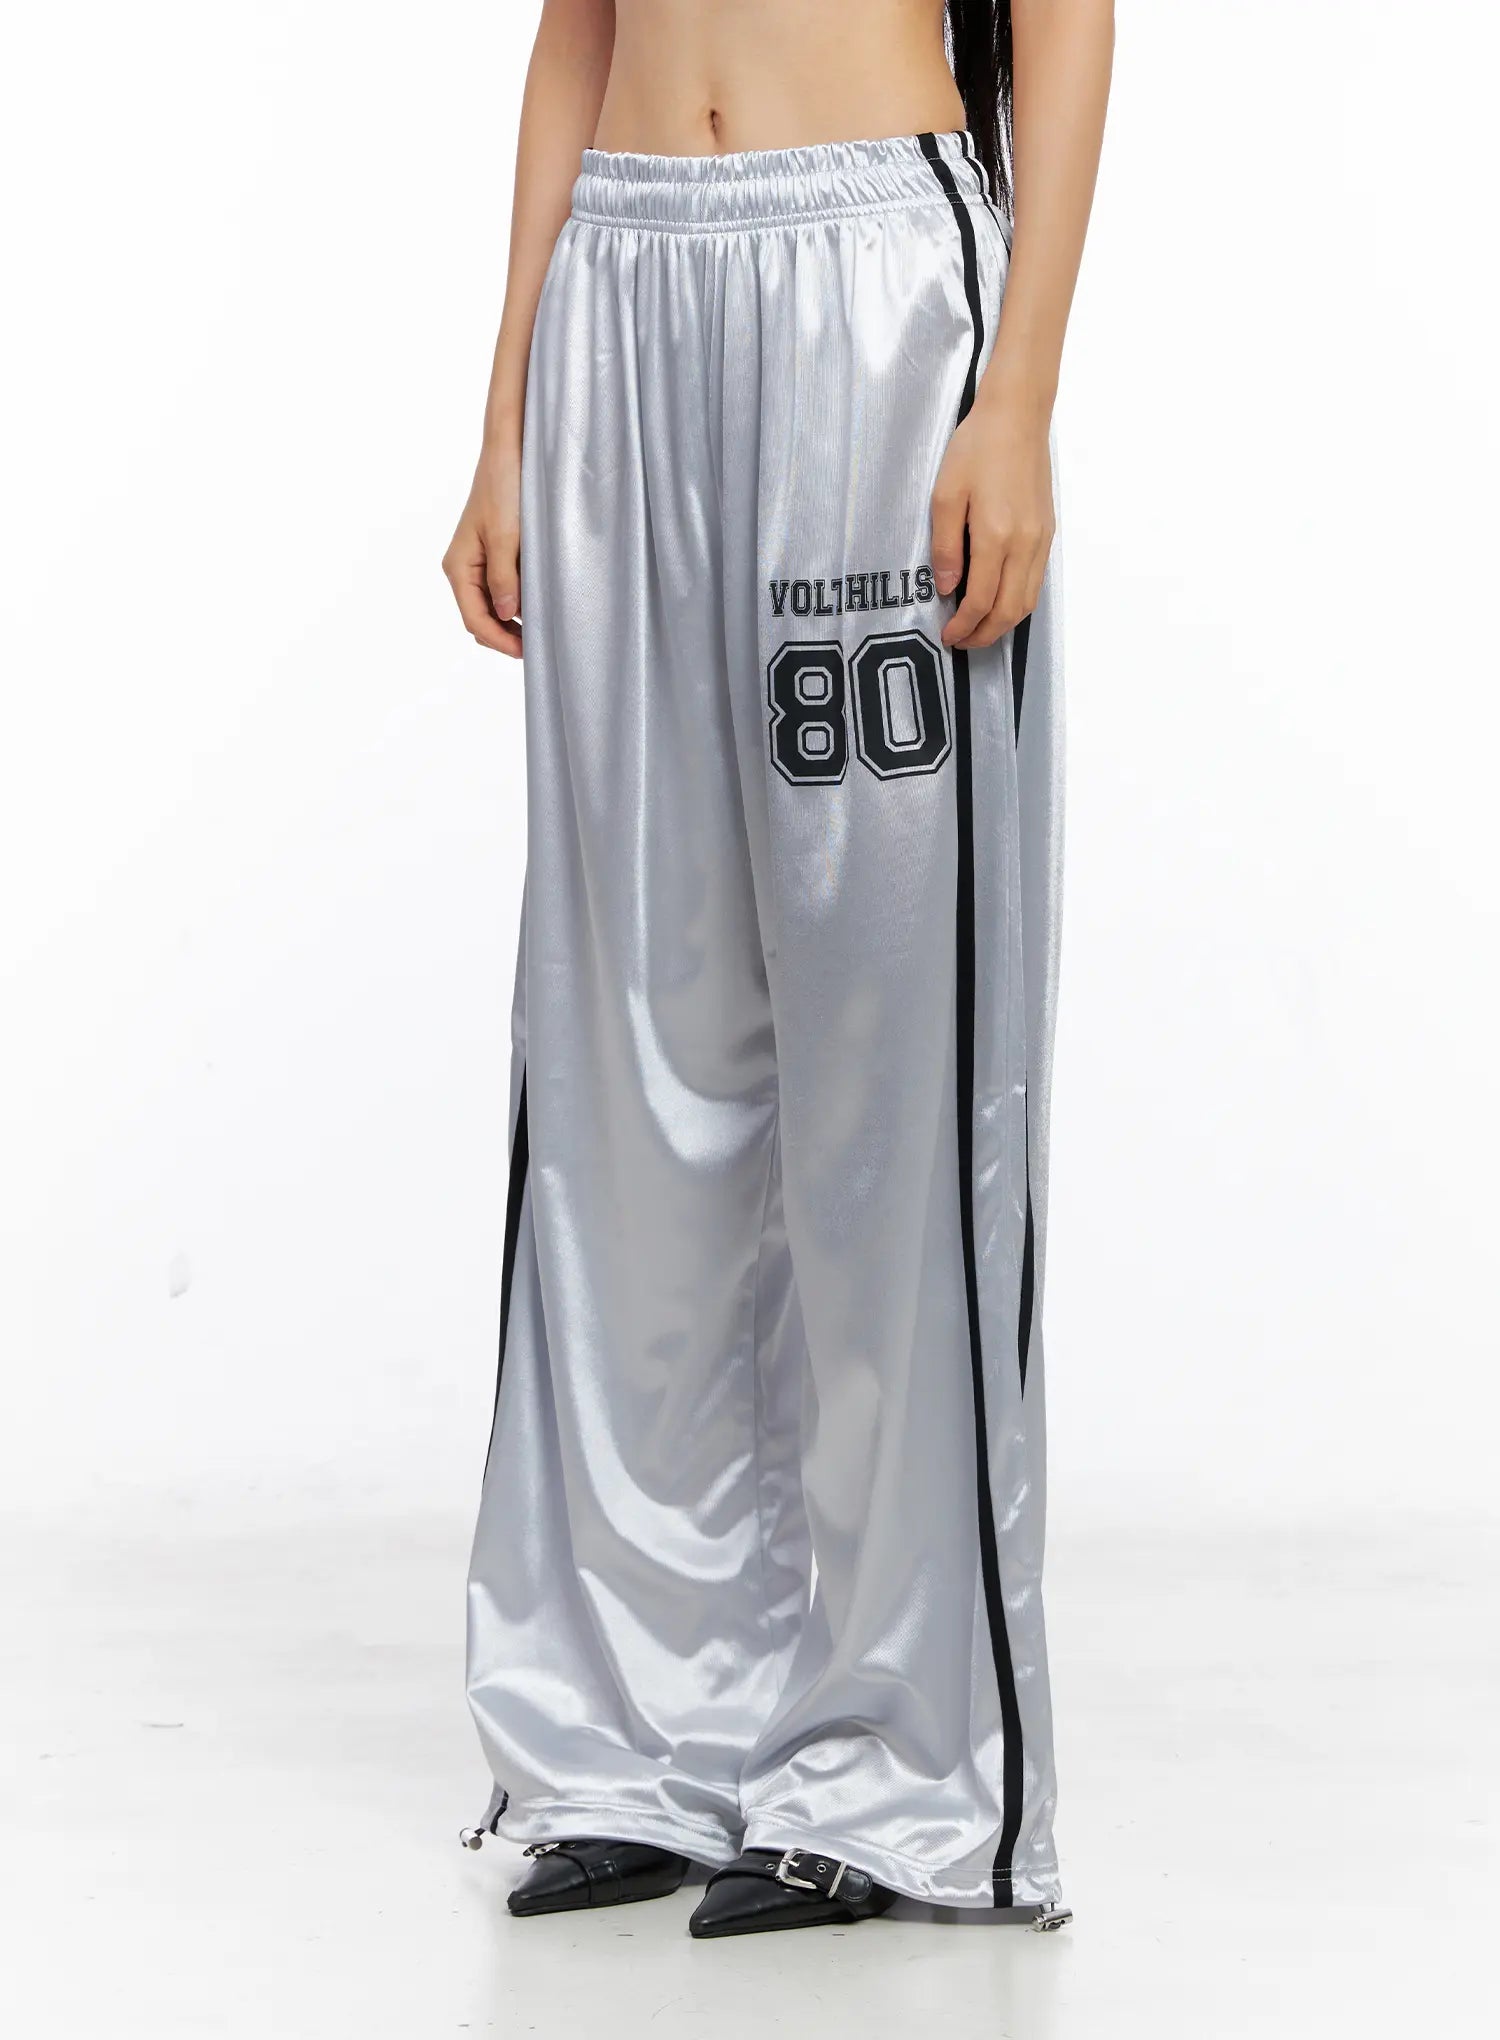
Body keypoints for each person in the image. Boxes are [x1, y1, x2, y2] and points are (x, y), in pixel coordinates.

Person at [445, 0, 1111, 1938]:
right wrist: (507, 411)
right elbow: (579, 30)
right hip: (623, 288)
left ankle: (901, 1767)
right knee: (624, 1056)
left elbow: (1067, 17)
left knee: (892, 1069)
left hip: (870, 291)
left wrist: (1017, 394)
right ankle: (634, 1732)